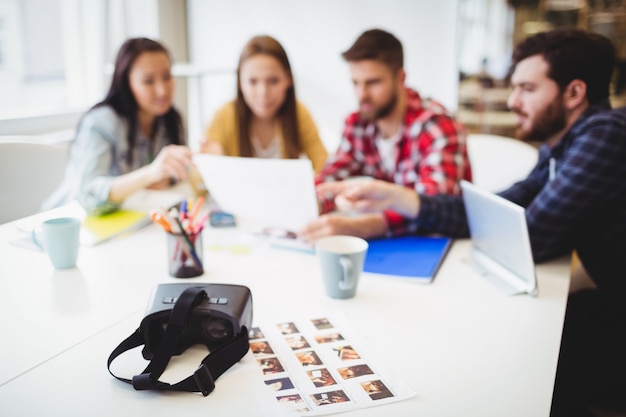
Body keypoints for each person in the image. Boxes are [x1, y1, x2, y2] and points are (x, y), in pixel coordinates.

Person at [317, 28, 626, 416]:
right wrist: (404, 198)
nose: (513, 101)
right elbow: (492, 210)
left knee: (519, 377)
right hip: (609, 302)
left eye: (527, 88)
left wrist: (400, 211)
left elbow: (529, 238)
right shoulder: (563, 148)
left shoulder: (607, 135)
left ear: (574, 93)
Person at [299, 29, 471, 241]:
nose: (362, 94)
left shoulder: (436, 125)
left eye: (373, 82)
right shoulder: (358, 124)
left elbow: (434, 207)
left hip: (441, 249)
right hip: (389, 249)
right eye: (355, 83)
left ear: (400, 78)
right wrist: (314, 202)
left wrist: (362, 226)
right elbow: (330, 179)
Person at [43, 37, 193, 214]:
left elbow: (170, 179)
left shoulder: (170, 119)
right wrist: (149, 174)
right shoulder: (100, 122)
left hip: (129, 218)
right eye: (148, 81)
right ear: (126, 82)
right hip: (68, 221)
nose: (162, 90)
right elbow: (87, 193)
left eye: (167, 76)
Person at [199, 35, 328, 173]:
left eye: (273, 81)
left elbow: (325, 168)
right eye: (253, 81)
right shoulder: (224, 115)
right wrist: (210, 163)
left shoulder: (299, 113)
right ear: (240, 83)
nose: (263, 93)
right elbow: (197, 184)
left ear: (288, 79)